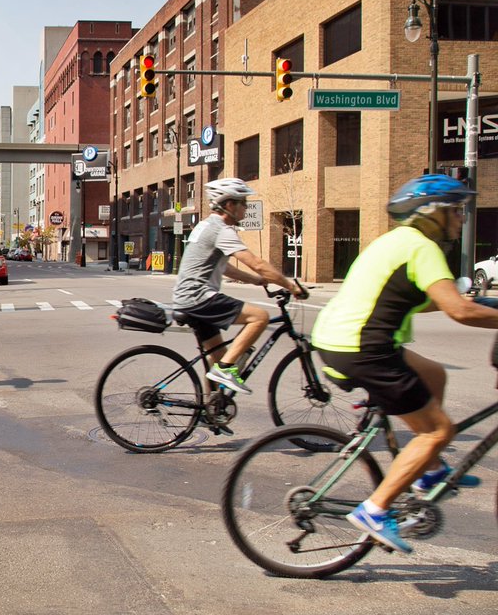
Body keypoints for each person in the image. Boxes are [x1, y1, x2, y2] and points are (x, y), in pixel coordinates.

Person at [312, 174, 498, 553]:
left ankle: (428, 471)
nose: (461, 218)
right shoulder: (422, 248)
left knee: (434, 374)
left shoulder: (396, 241)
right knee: (437, 430)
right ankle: (375, 510)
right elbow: (458, 310)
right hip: (365, 348)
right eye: (455, 210)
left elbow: (428, 301)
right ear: (432, 213)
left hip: (342, 340)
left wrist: (486, 306)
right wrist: (469, 306)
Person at [172, 177, 305, 395]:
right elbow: (257, 263)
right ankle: (225, 370)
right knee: (259, 317)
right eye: (243, 202)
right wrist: (291, 286)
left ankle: (211, 409)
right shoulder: (221, 230)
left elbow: (224, 268)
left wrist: (256, 280)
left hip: (189, 299)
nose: (246, 207)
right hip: (199, 298)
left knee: (219, 357)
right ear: (229, 205)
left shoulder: (206, 225)